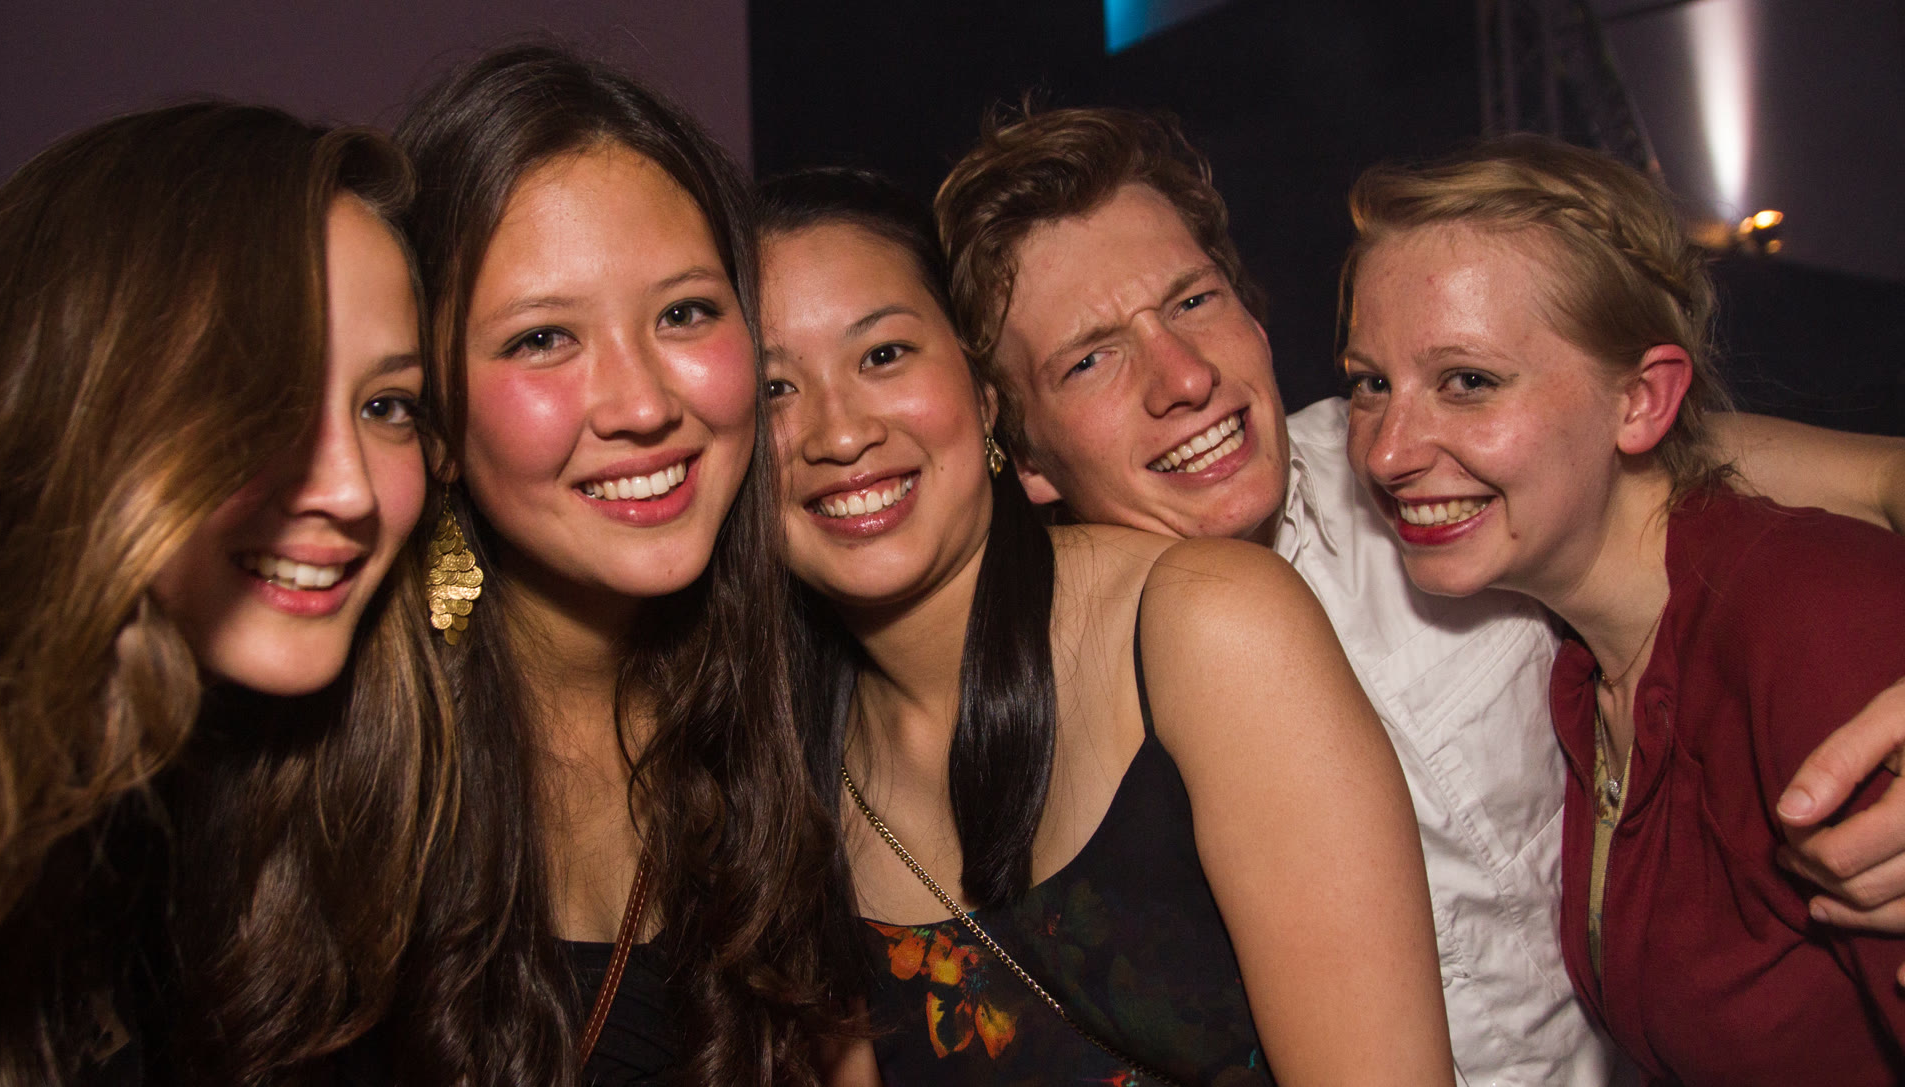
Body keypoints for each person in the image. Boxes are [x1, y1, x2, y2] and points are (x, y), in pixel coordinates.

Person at [934, 105, 1905, 1085]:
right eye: (1089, 357)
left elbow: (1682, 461)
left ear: (1252, 314)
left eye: (1192, 301)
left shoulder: (1409, 471)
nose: (1182, 377)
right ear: (1025, 454)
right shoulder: (1028, 706)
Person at [760, 167, 1453, 1086]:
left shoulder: (1210, 624)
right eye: (772, 390)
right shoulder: (787, 777)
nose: (839, 432)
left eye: (883, 354)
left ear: (985, 397)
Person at [0, 104, 445, 1083]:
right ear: (66, 399)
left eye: (386, 405)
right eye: (260, 391)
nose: (348, 489)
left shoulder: (249, 803)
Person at [1341, 134, 1905, 1086]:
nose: (1389, 452)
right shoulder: (1583, 673)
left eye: (1468, 381)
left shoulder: (1809, 620)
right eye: (1370, 383)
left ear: (1642, 400)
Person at [387, 45, 854, 1085]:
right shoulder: (346, 764)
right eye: (543, 338)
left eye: (684, 312)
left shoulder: (807, 706)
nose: (642, 403)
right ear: (436, 422)